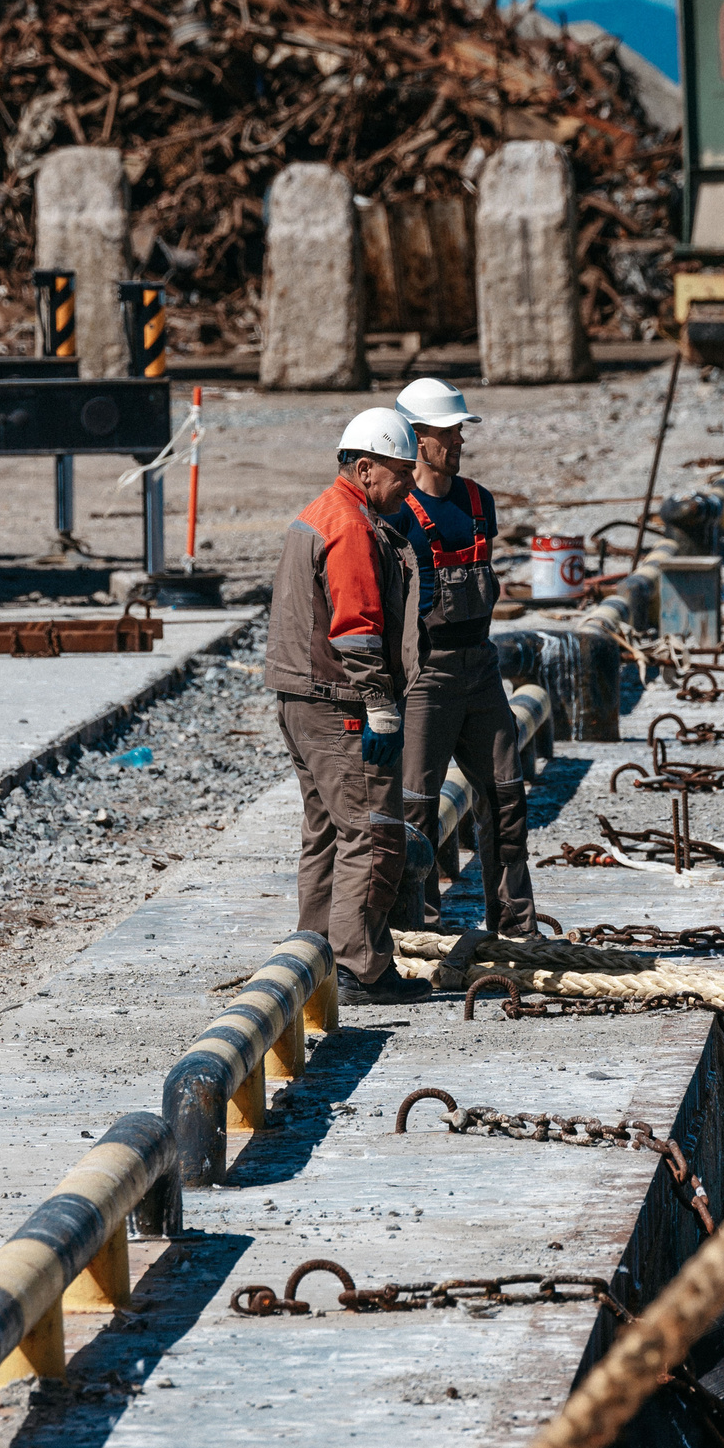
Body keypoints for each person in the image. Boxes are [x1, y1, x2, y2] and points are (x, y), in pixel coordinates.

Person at [265, 407, 425, 1004]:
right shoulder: (351, 526)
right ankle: (360, 967)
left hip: (300, 699)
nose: (409, 487)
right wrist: (379, 701)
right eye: (401, 474)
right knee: (371, 832)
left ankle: (314, 958)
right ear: (366, 467)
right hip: (338, 702)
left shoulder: (316, 513)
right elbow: (356, 630)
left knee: (327, 833)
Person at [384, 377, 538, 938]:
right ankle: (419, 931)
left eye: (459, 431)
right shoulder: (399, 515)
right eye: (448, 433)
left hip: (481, 666)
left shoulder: (479, 502)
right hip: (427, 674)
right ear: (418, 440)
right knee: (418, 804)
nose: (459, 442)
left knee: (506, 795)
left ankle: (517, 926)